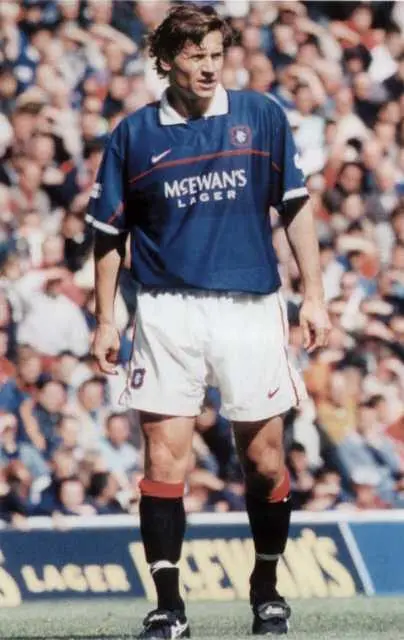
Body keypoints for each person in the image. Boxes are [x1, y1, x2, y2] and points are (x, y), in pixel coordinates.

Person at [86, 4, 330, 638]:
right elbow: (108, 235)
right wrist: (106, 319)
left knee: (265, 461)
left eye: (217, 55)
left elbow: (296, 206)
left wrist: (315, 294)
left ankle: (266, 589)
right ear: (166, 60)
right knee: (163, 460)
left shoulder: (261, 115)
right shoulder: (133, 134)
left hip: (250, 306)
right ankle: (169, 608)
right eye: (196, 56)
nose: (209, 67)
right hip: (166, 308)